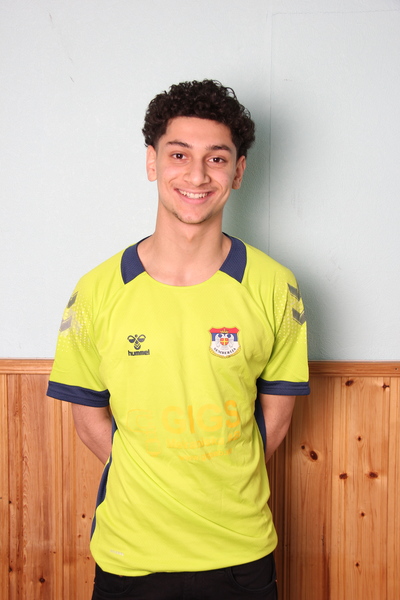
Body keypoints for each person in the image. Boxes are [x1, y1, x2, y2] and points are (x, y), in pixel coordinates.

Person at [47, 79, 310, 600]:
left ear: (238, 172)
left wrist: (213, 479)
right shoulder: (95, 291)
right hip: (130, 554)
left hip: (240, 553)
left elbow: (275, 423)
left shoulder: (276, 287)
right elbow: (88, 418)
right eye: (179, 154)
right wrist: (156, 478)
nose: (196, 175)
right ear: (152, 162)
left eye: (217, 158)